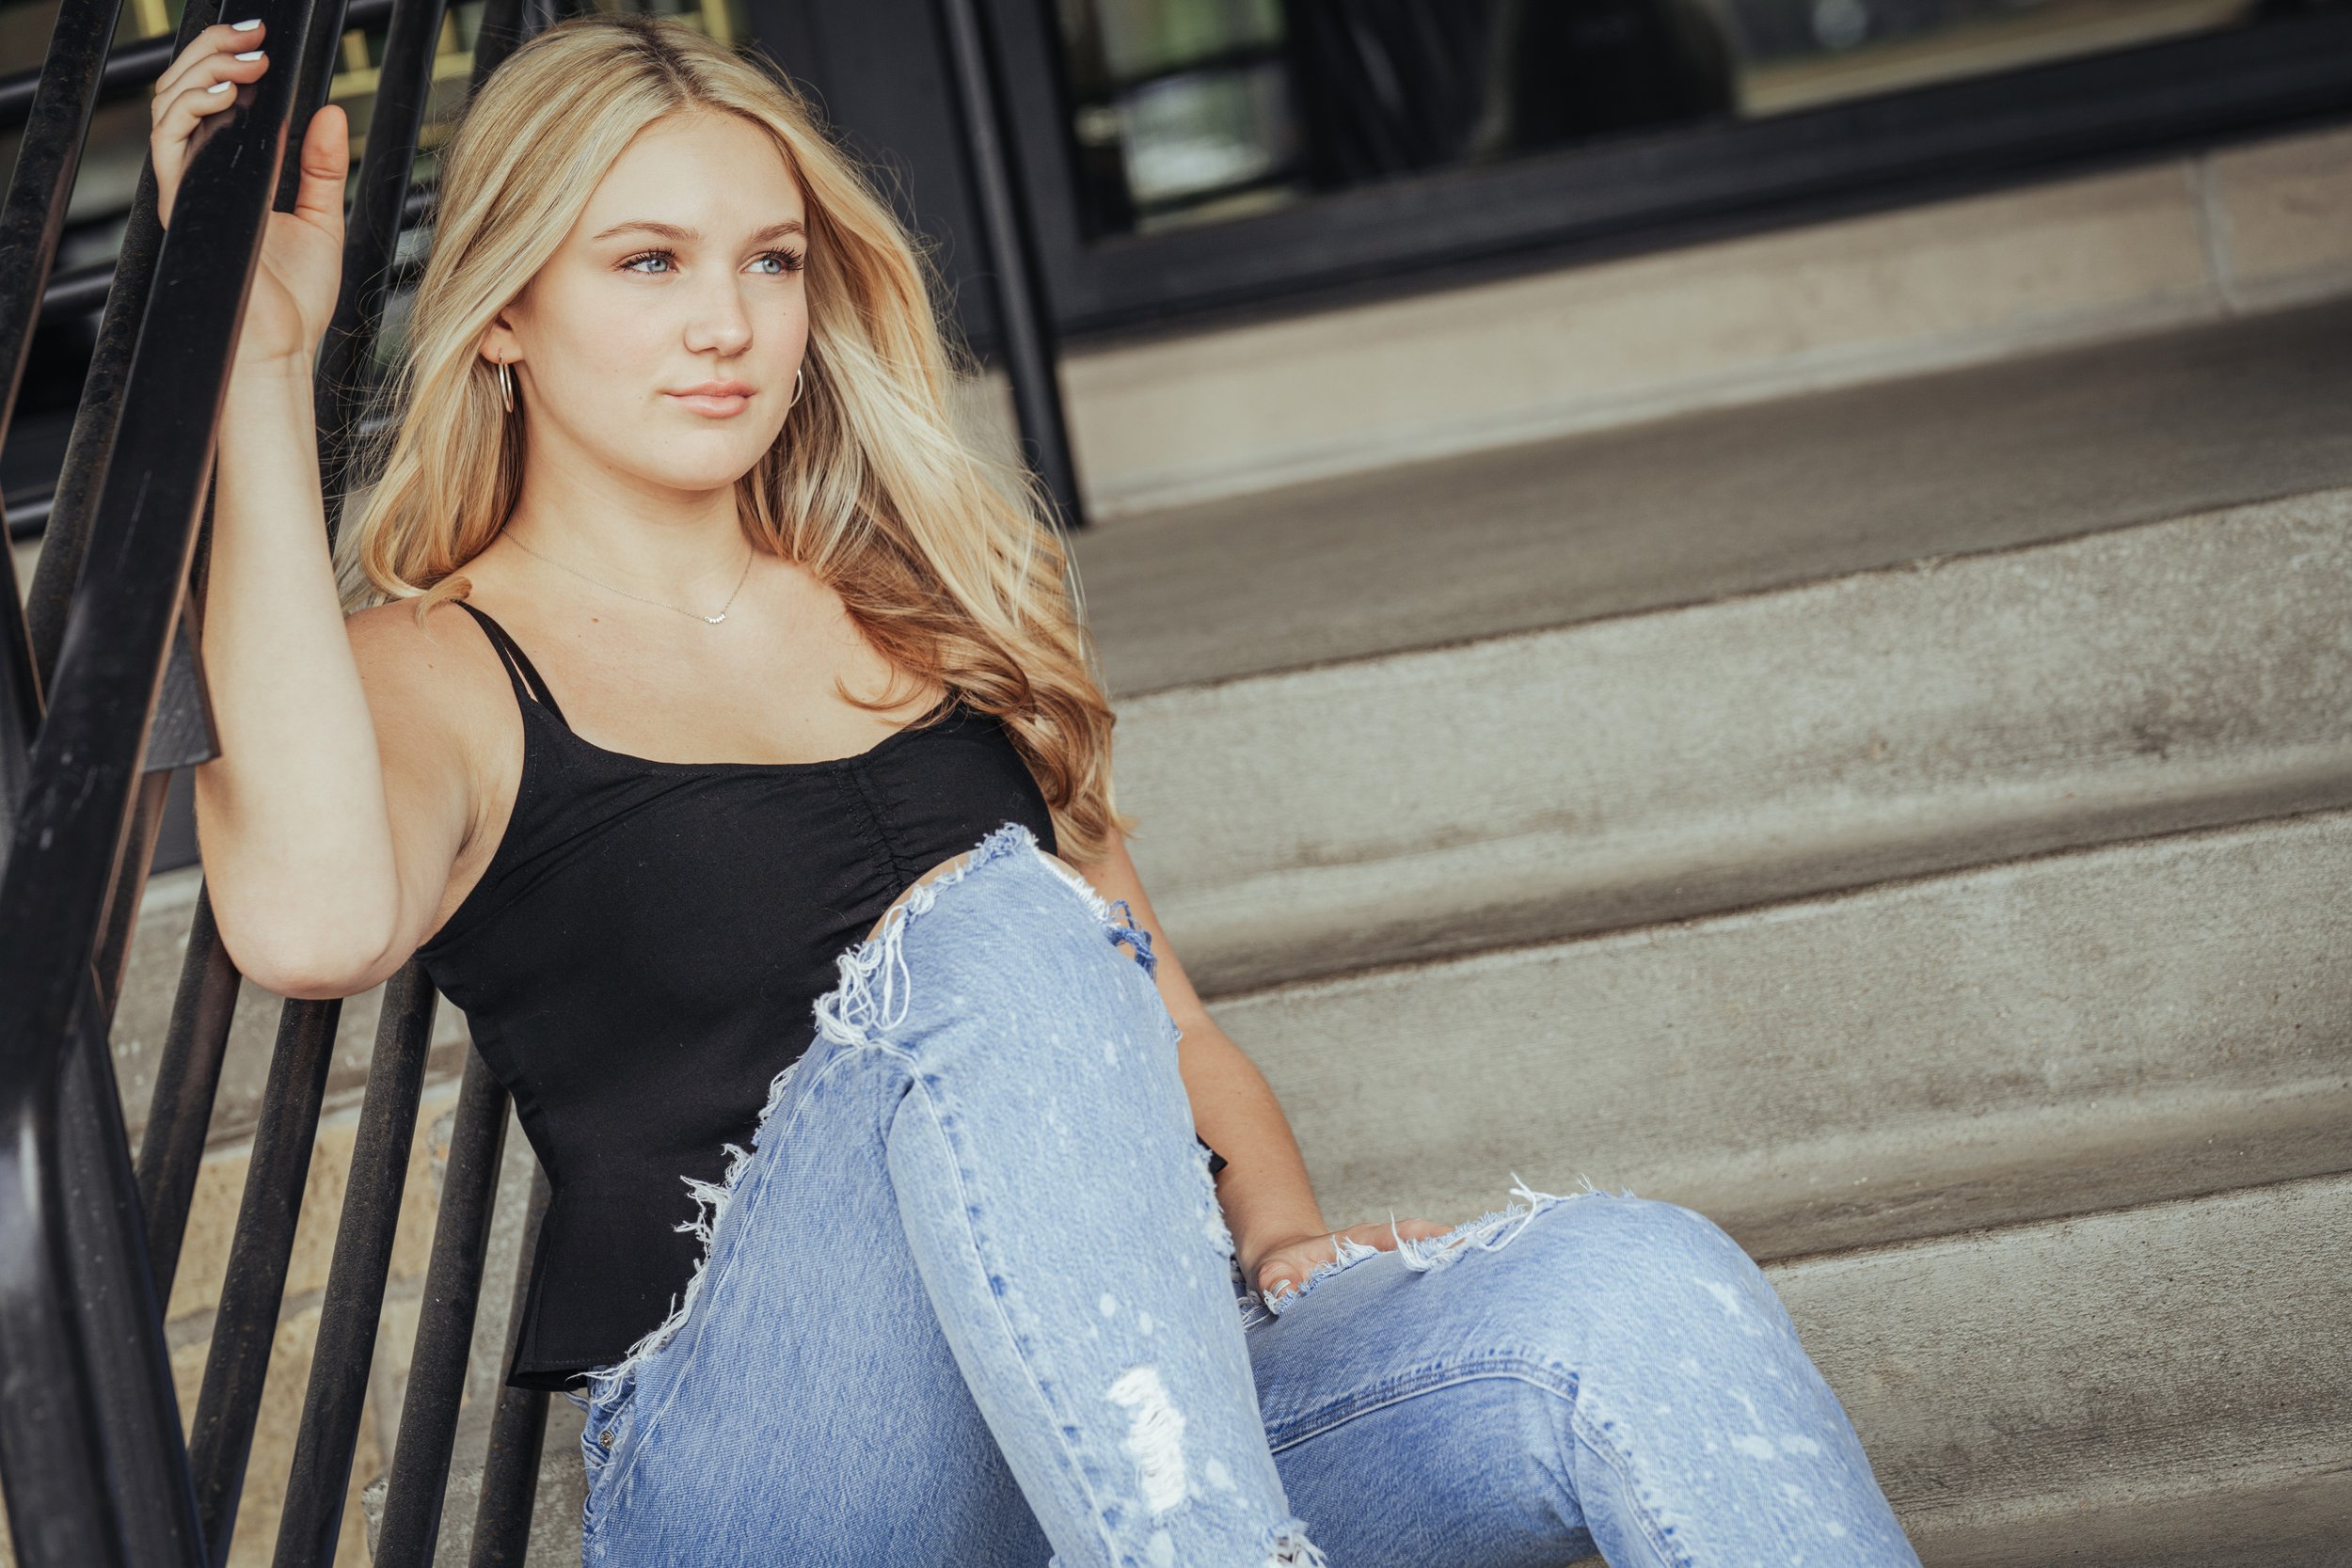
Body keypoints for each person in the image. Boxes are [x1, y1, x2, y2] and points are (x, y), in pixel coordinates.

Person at [151, 12, 1925, 1566]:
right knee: (997, 928)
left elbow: (1169, 1025)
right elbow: (309, 919)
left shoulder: (931, 608)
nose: (727, 327)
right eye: (647, 264)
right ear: (509, 312)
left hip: (1136, 1444)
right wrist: (254, 367)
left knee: (1639, 1286)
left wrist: (1286, 1240)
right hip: (800, 1484)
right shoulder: (441, 668)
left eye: (771, 263)